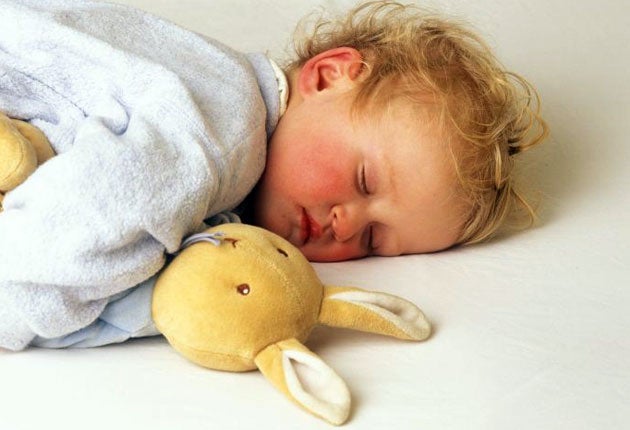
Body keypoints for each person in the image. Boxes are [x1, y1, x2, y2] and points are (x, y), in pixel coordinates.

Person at [0, 0, 547, 350]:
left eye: (373, 239)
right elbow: (47, 254)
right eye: (364, 180)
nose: (344, 223)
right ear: (328, 76)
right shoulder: (224, 130)